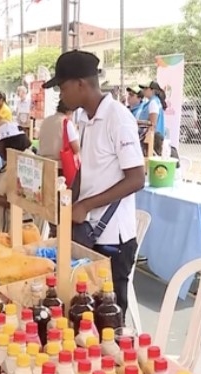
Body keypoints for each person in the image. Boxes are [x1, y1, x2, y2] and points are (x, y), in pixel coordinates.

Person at [45, 50, 144, 321]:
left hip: (112, 240)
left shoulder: (118, 117)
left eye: (63, 87)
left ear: (81, 84)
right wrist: (66, 207)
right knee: (82, 315)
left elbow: (136, 178)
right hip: (87, 234)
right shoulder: (84, 119)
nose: (61, 95)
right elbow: (82, 172)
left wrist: (86, 205)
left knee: (108, 319)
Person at [0, 123, 33, 231]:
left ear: (9, 145)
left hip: (17, 230)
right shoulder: (15, 159)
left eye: (0, 146)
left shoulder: (26, 164)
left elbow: (23, 201)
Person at [38, 100, 81, 186]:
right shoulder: (66, 123)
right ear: (70, 111)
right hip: (61, 167)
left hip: (43, 165)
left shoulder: (46, 121)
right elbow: (76, 148)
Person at [139, 80, 167, 154]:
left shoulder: (153, 102)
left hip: (153, 139)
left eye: (145, 88)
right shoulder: (154, 101)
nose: (143, 90)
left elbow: (152, 124)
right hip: (155, 138)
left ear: (152, 90)